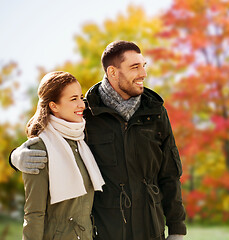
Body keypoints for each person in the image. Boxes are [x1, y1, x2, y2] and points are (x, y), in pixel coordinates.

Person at [11, 40, 186, 240]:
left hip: (151, 230)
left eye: (143, 66)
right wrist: (16, 157)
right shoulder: (86, 113)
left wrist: (177, 229)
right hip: (105, 232)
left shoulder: (155, 112)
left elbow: (170, 174)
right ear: (112, 72)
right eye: (135, 67)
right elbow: (50, 135)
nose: (143, 74)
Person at [21, 71, 105, 240]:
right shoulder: (40, 148)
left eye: (81, 97)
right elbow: (34, 213)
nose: (82, 105)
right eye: (73, 99)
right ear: (54, 106)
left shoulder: (82, 142)